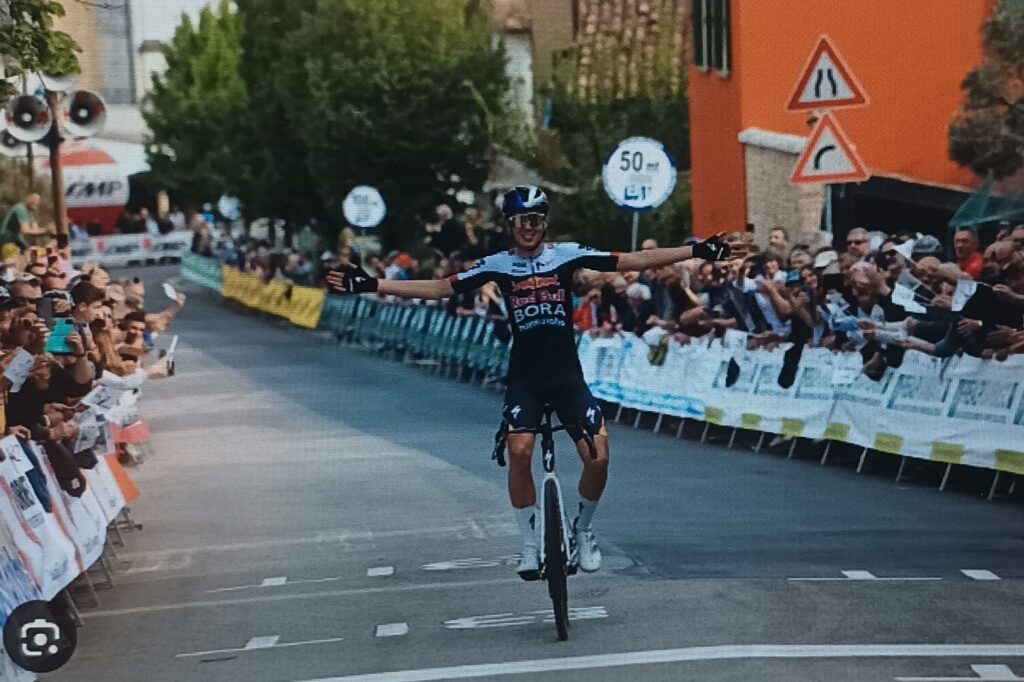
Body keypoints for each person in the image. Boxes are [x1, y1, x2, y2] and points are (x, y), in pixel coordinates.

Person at [327, 186, 730, 578]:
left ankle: (583, 529)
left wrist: (696, 251)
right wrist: (371, 284)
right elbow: (439, 288)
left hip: (567, 375)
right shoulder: (497, 264)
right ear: (510, 224)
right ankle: (529, 543)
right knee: (520, 452)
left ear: (545, 223)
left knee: (600, 456)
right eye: (522, 221)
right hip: (526, 377)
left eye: (536, 220)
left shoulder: (567, 255)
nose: (529, 228)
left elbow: (632, 261)